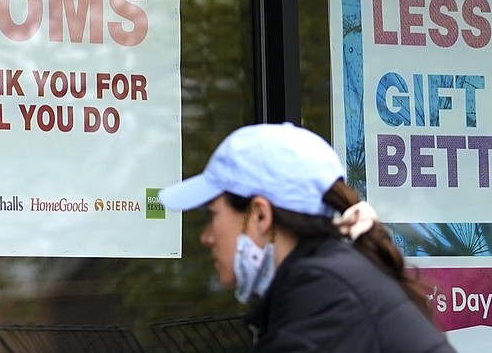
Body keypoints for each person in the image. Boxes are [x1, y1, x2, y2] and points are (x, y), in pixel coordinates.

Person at [160, 122, 456, 352]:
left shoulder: (323, 291)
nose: (206, 237)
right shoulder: (330, 276)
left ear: (260, 215)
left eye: (212, 215)